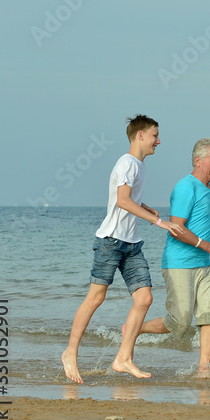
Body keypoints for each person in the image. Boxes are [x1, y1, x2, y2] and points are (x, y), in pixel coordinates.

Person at [61, 115, 185, 384]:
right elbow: (122, 201)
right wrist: (157, 220)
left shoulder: (137, 165)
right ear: (140, 135)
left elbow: (130, 199)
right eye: (155, 135)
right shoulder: (128, 162)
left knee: (144, 299)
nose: (158, 141)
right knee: (95, 298)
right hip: (111, 241)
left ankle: (123, 358)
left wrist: (147, 206)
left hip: (131, 243)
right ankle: (70, 353)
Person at [133, 139, 210, 378]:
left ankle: (203, 369)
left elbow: (195, 224)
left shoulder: (209, 188)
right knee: (179, 323)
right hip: (180, 263)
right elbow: (175, 226)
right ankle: (134, 329)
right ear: (198, 161)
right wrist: (208, 246)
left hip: (203, 264)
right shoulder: (186, 187)